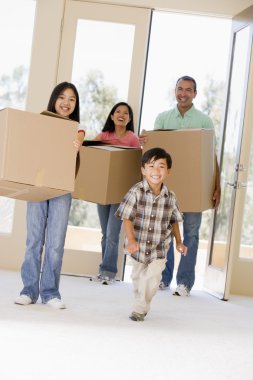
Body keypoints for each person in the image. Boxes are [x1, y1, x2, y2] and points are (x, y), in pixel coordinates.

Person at [15, 82, 84, 309]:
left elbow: (76, 157)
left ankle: (51, 292)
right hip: (38, 186)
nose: (66, 102)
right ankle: (29, 290)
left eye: (72, 99)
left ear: (76, 104)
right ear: (54, 99)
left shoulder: (77, 130)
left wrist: (77, 146)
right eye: (62, 97)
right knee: (34, 239)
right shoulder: (39, 123)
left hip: (61, 189)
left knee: (55, 243)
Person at [153, 75, 221, 296]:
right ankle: (163, 278)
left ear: (195, 94)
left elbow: (212, 157)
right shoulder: (163, 119)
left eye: (188, 90)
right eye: (180, 89)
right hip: (167, 188)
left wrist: (216, 186)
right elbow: (155, 154)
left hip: (195, 189)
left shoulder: (204, 121)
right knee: (164, 233)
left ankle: (184, 282)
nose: (183, 93)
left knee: (190, 234)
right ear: (175, 91)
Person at [116, 147, 187, 321]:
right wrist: (131, 240)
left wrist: (179, 241)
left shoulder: (170, 197)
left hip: (159, 248)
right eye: (151, 166)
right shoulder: (136, 192)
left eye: (161, 166)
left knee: (153, 279)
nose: (156, 171)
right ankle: (141, 302)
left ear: (168, 171)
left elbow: (174, 220)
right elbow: (127, 217)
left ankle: (139, 309)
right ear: (143, 170)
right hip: (138, 246)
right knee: (138, 279)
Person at [90, 102, 141, 285]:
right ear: (112, 116)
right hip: (103, 192)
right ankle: (104, 269)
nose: (121, 115)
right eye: (117, 112)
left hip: (122, 194)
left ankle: (109, 272)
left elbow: (136, 165)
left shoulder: (132, 139)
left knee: (113, 233)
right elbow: (90, 155)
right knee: (105, 232)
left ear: (129, 119)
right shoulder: (103, 136)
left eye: (126, 113)